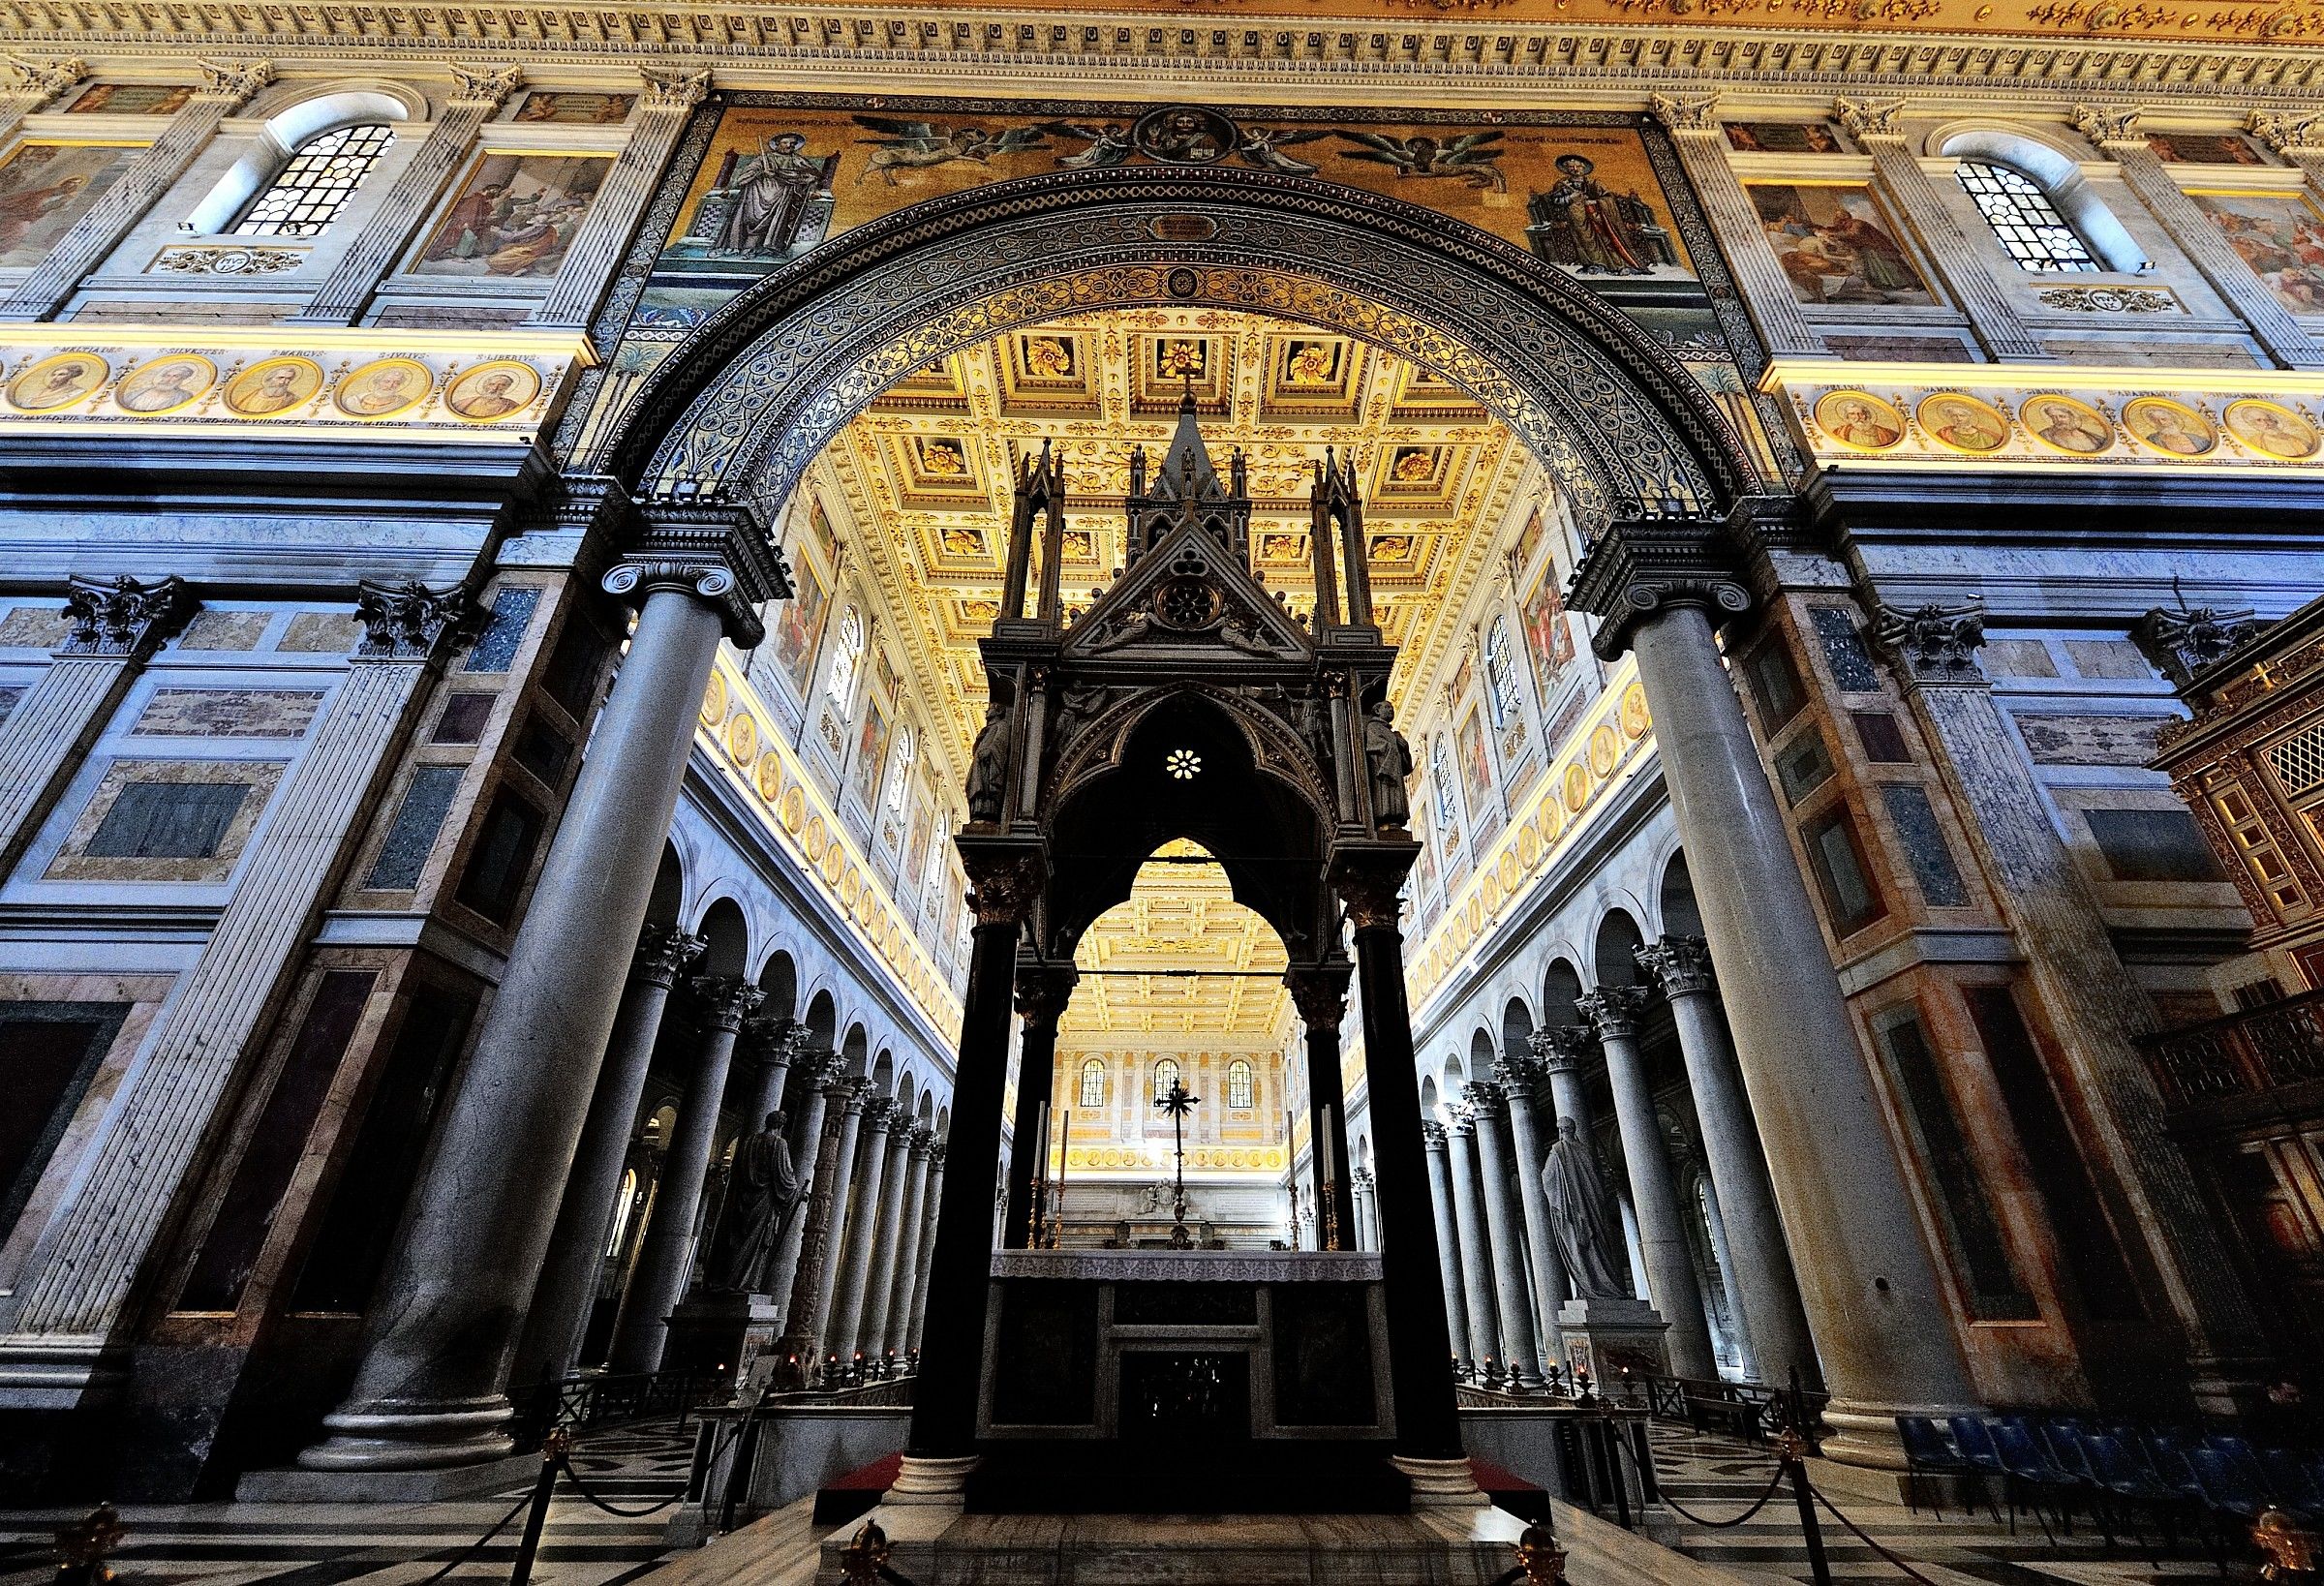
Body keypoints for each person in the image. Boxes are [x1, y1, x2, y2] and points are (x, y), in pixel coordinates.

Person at [707, 1111, 802, 1294]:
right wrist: (796, 1193)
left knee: (737, 1237)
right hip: (764, 1200)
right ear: (781, 1126)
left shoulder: (750, 1141)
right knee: (755, 1241)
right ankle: (744, 1282)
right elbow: (783, 1174)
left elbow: (739, 1169)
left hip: (743, 1197)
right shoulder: (778, 1144)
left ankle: (727, 1280)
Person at [1542, 1116, 1628, 1300]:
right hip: (1592, 1208)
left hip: (1575, 1211)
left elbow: (1547, 1179)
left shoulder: (1558, 1151)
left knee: (1583, 1249)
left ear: (1561, 1131)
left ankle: (1595, 1287)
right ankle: (1600, 1286)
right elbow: (1595, 1181)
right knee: (1597, 1246)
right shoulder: (1584, 1150)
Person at [719, 133, 831, 257]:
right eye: (785, 143)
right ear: (777, 144)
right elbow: (743, 178)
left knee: (772, 222)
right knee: (749, 217)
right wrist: (761, 172)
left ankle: (759, 248)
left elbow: (813, 175)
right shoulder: (764, 158)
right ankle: (736, 246)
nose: (789, 146)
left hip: (782, 197)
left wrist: (781, 174)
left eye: (792, 144)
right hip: (757, 195)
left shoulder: (797, 160)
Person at [1363, 699, 1413, 828]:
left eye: (1392, 708)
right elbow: (1374, 744)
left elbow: (1406, 768)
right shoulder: (1373, 726)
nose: (1391, 710)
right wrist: (1395, 744)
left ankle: (1394, 820)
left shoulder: (1393, 733)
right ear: (1377, 710)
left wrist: (1404, 748)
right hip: (1381, 770)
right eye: (1387, 707)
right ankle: (1385, 819)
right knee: (1385, 800)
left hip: (1394, 772)